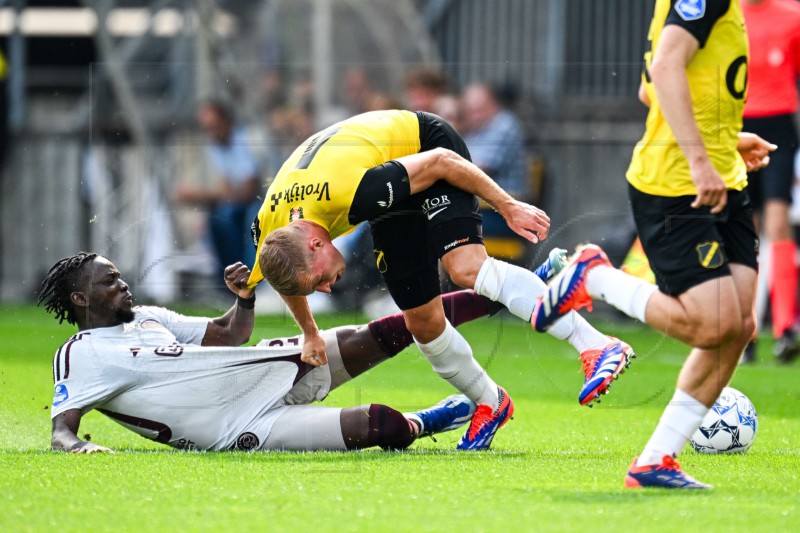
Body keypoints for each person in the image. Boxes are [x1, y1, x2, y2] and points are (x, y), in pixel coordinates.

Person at [248, 109, 637, 451]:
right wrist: (311, 332)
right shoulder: (268, 233)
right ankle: (490, 402)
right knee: (422, 321)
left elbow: (441, 162)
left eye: (318, 280)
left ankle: (597, 345)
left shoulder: (350, 192)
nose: (326, 288)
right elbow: (286, 280)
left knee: (466, 268)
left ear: (316, 244)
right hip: (389, 178)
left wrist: (507, 205)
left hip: (425, 147)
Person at [532, 0, 776, 489]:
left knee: (740, 326)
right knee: (711, 325)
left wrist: (726, 142)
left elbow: (654, 88)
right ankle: (595, 275)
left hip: (722, 177)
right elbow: (664, 69)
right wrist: (699, 158)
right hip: (676, 185)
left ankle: (655, 461)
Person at [40, 253, 513, 453]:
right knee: (383, 427)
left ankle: (509, 292)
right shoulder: (83, 352)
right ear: (81, 299)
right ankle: (425, 421)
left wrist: (243, 298)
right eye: (108, 281)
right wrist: (81, 449)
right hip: (237, 427)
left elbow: (229, 335)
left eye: (119, 275)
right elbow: (63, 428)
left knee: (385, 331)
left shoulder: (148, 316)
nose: (122, 284)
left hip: (261, 371)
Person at [740, 0, 800, 364]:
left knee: (777, 223)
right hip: (738, 129)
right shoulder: (726, 13)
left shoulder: (793, 14)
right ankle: (746, 332)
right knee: (746, 230)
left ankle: (784, 330)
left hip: (778, 126)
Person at [175, 100, 264, 275]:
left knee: (251, 221)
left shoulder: (246, 141)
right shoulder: (217, 146)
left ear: (227, 122)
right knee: (216, 220)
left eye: (213, 126)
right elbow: (227, 189)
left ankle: (252, 278)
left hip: (264, 200)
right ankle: (228, 277)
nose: (210, 133)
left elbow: (249, 192)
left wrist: (201, 197)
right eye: (206, 128)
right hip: (242, 203)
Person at [461, 83, 528, 200]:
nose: (475, 116)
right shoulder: (476, 128)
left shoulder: (504, 124)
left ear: (494, 104)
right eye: (470, 111)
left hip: (501, 207)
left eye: (480, 109)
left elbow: (480, 168)